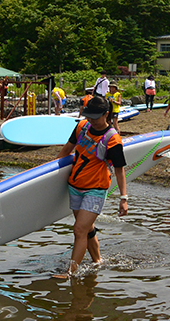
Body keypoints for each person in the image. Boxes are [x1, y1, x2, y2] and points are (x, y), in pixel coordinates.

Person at [52, 95, 128, 279]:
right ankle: (98, 261)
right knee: (88, 229)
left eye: (96, 117)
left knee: (79, 230)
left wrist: (123, 199)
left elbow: (119, 170)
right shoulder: (81, 127)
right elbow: (65, 151)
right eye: (89, 116)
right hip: (75, 186)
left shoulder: (112, 139)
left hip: (95, 189)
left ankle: (70, 273)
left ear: (106, 114)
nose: (92, 121)